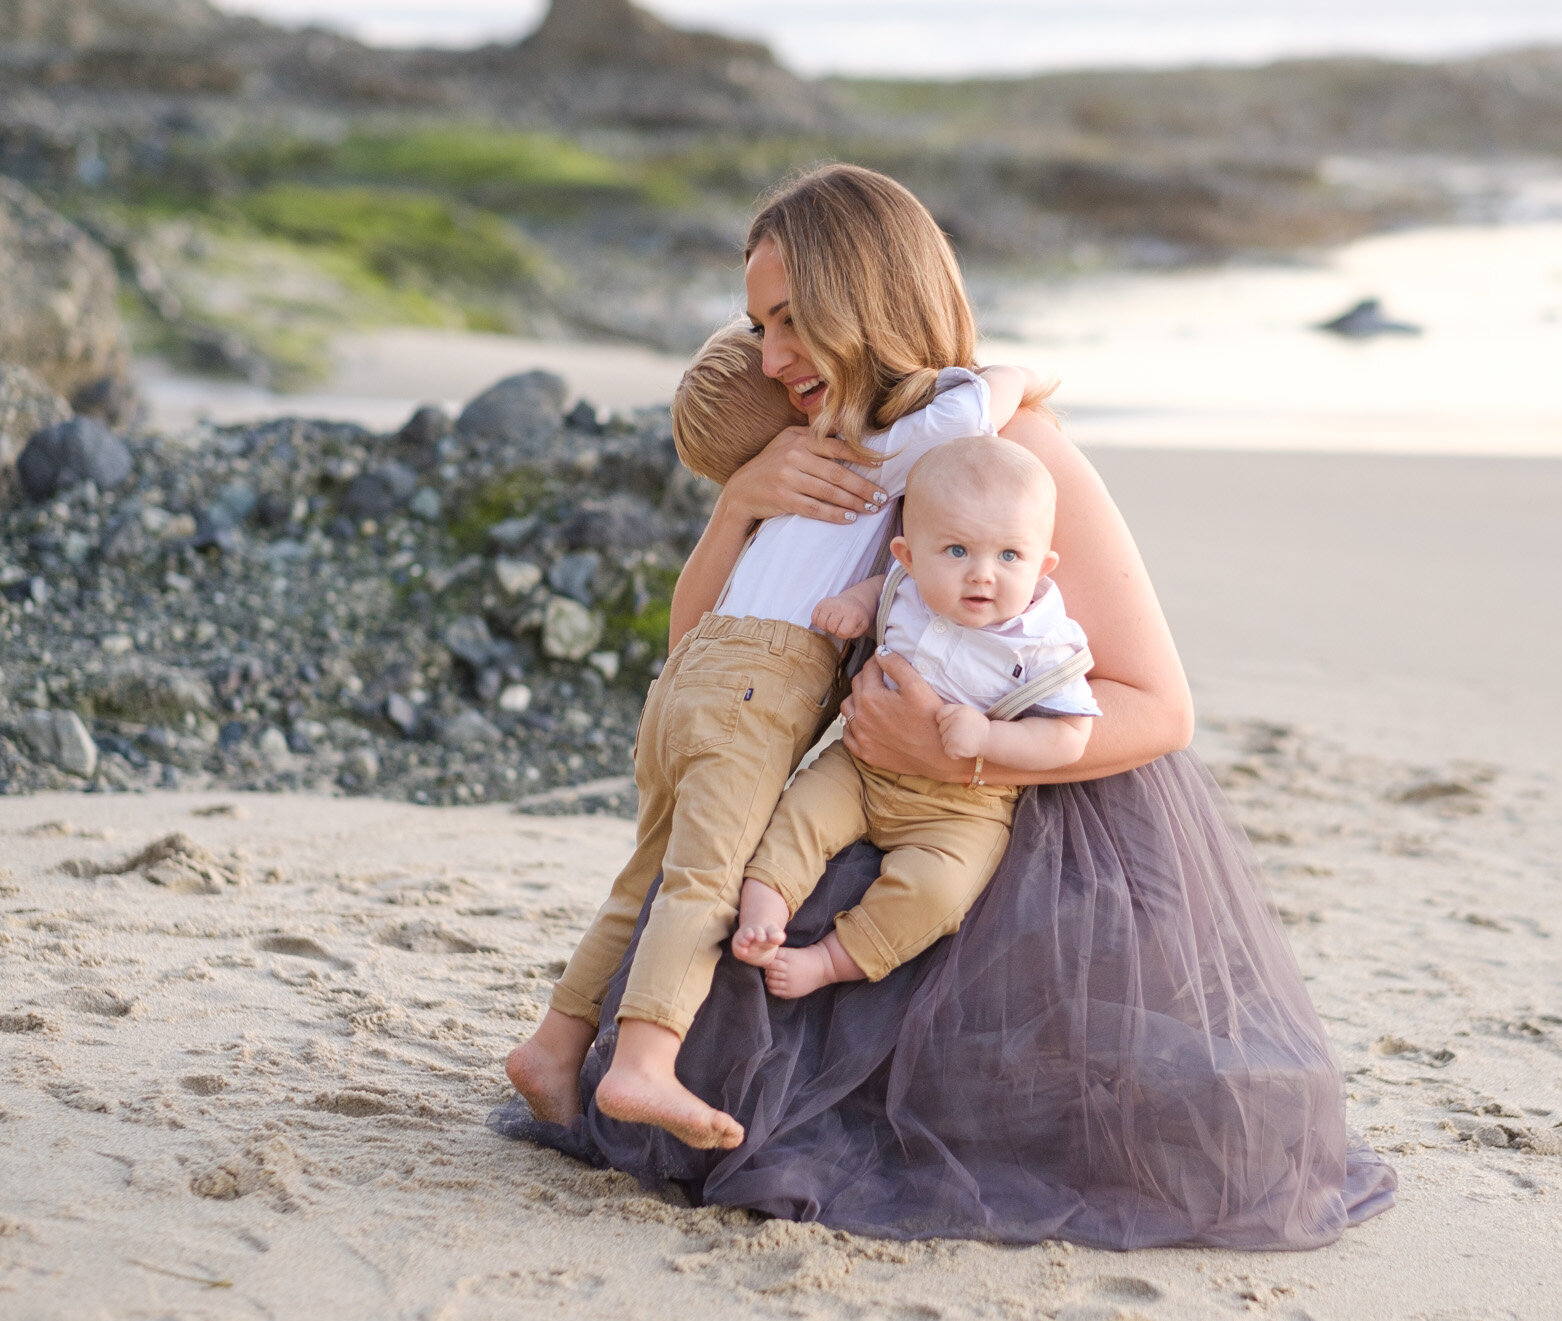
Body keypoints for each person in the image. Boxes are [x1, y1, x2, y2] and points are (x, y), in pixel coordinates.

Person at [494, 163, 1397, 1251]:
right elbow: (698, 646)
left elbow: (1159, 706)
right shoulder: (827, 449)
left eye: (790, 324)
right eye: (754, 327)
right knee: (730, 989)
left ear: (864, 304)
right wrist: (736, 504)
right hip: (870, 783)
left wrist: (965, 752)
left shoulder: (1014, 454)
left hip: (1033, 805)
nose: (770, 360)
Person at [505, 319, 1043, 1149]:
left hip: (688, 682)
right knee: (706, 881)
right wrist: (1025, 377)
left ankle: (555, 1042)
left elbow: (691, 626)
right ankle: (643, 1062)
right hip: (756, 690)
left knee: (643, 875)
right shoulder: (867, 448)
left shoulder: (775, 509)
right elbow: (977, 403)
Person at [733, 435, 1098, 999]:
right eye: (956, 551)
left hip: (961, 807)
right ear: (907, 555)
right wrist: (856, 606)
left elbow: (1070, 738)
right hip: (860, 766)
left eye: (1009, 556)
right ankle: (764, 906)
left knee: (940, 890)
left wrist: (991, 737)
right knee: (799, 812)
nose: (982, 575)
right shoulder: (906, 587)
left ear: (1041, 564)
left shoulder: (1042, 644)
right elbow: (882, 590)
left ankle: (831, 961)